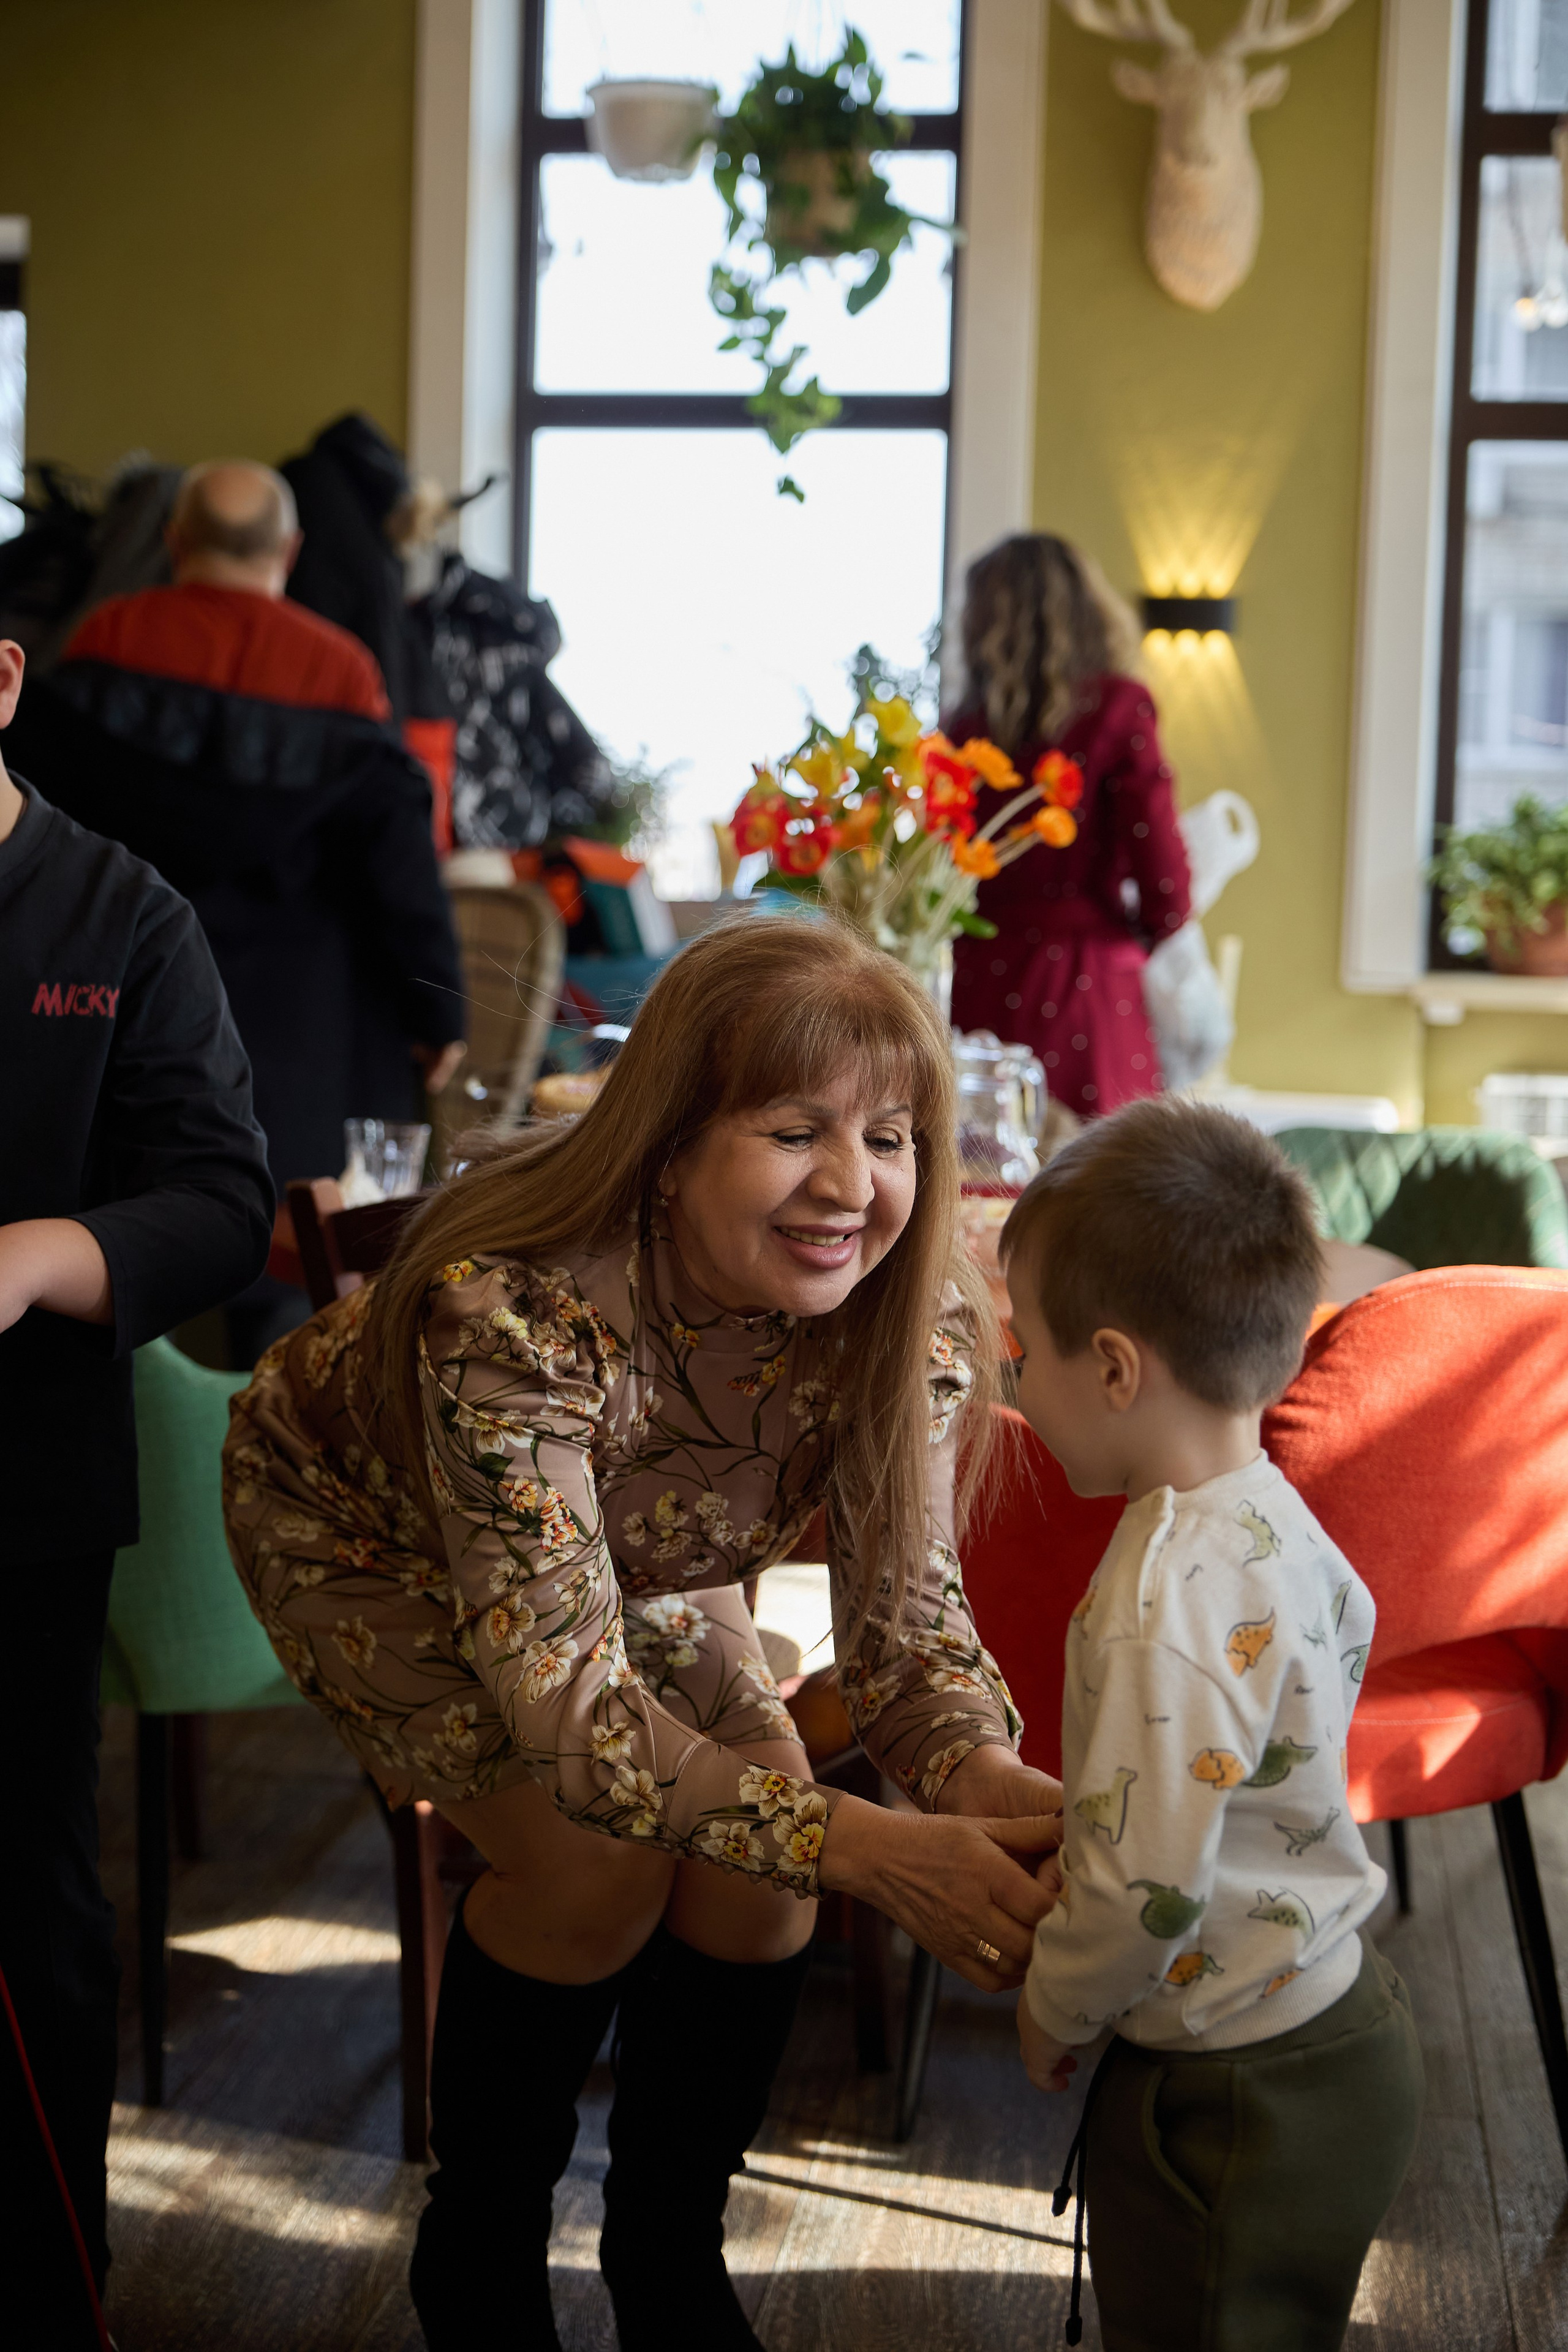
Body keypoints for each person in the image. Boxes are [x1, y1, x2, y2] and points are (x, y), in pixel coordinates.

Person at [222, 913, 1065, 2352]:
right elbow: (573, 1728)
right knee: (598, 1860)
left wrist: (1001, 1789)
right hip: (366, 1529)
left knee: (759, 1884)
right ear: (669, 1145)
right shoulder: (512, 1316)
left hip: (648, 1545)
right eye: (794, 1127)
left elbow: (909, 1638)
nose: (850, 1186)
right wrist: (875, 1843)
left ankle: (667, 2252)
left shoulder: (908, 1320)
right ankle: (476, 2254)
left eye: (890, 1135)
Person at [1002, 1099, 1423, 2351]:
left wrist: (1050, 2005)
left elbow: (1144, 1896)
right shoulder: (1275, 1518)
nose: (1014, 1378)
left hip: (1233, 2085)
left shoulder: (1158, 1601)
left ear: (1116, 1368)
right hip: (1333, 2012)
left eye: (1024, 1350)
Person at [0, 632, 274, 2341]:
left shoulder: (119, 916)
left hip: (16, 1491)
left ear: (3, 677)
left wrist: (36, 1256)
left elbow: (220, 1200)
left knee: (24, 1909)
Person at [4, 461, 466, 1362]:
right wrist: (437, 1010)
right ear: (289, 552)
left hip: (112, 1024)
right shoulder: (339, 669)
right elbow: (397, 858)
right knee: (287, 1300)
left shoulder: (108, 639)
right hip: (303, 1031)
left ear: (174, 546)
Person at [946, 533, 1192, 1118]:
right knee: (1095, 1189)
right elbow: (1169, 892)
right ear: (1087, 611)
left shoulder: (962, 730)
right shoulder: (1119, 708)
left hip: (980, 979)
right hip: (1085, 989)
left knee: (980, 1179)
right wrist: (1125, 940)